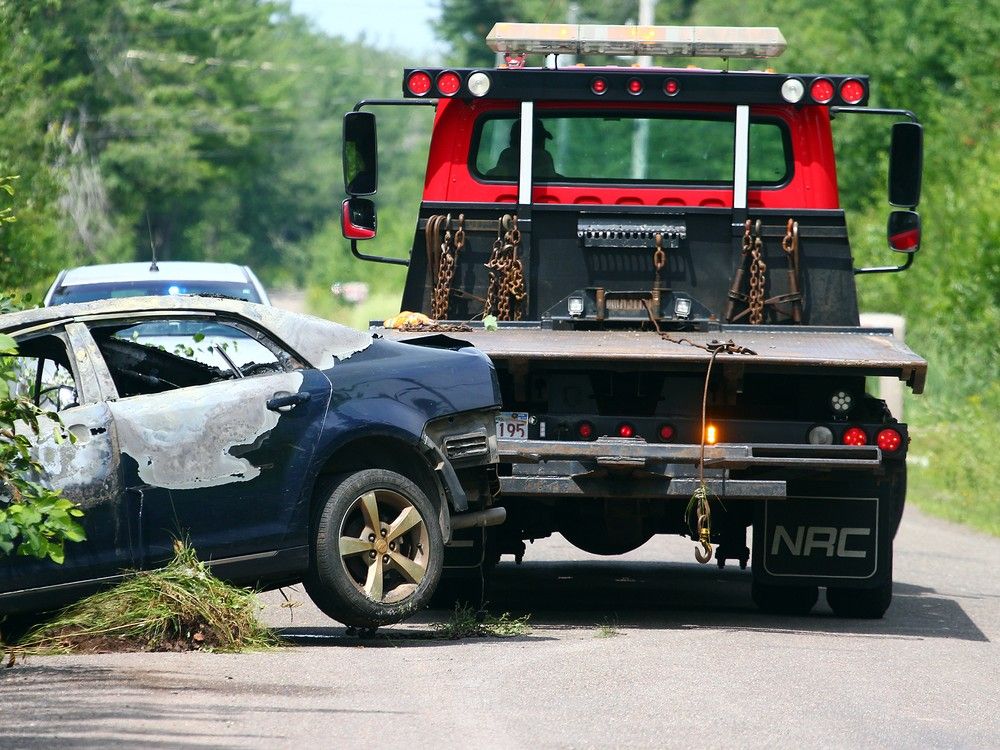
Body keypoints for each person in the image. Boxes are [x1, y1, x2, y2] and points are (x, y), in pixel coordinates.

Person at [486, 118, 559, 179]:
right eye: (541, 139)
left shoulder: (490, 175)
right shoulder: (544, 157)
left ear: (512, 139)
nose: (543, 143)